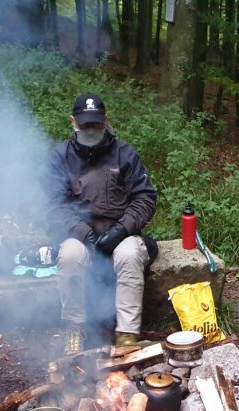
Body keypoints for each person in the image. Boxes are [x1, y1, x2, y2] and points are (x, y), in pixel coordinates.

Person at [48, 92, 158, 354]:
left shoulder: (125, 154)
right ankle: (75, 328)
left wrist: (121, 230)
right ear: (73, 122)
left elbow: (144, 198)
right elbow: (53, 204)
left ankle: (127, 335)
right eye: (85, 124)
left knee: (130, 254)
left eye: (96, 124)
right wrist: (84, 233)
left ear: (106, 121)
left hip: (122, 233)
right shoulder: (60, 157)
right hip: (80, 235)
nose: (90, 129)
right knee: (70, 255)